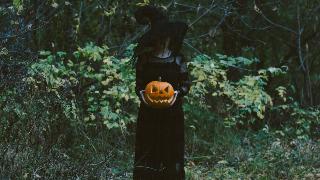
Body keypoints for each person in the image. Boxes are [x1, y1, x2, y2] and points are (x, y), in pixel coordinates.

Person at [132, 5, 191, 180]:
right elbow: (139, 85)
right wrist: (142, 95)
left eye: (165, 37)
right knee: (149, 150)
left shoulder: (178, 59)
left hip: (172, 114)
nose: (163, 40)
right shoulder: (145, 59)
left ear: (170, 37)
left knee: (170, 151)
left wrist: (176, 95)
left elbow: (186, 84)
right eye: (159, 37)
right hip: (149, 114)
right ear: (154, 38)